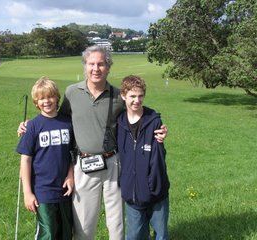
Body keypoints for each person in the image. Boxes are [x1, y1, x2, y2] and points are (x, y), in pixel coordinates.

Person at [18, 45, 168, 240]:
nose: (96, 69)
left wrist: (157, 124)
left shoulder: (117, 95)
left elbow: (136, 107)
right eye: (91, 64)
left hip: (113, 163)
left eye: (101, 64)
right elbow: (55, 117)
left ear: (108, 67)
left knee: (116, 224)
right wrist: (29, 124)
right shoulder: (72, 93)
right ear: (84, 67)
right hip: (83, 165)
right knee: (83, 224)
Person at [16, 77, 75, 240]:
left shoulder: (67, 123)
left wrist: (70, 175)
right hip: (43, 191)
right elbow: (25, 160)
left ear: (57, 97)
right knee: (47, 233)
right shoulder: (33, 126)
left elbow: (72, 153)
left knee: (65, 233)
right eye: (41, 98)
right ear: (36, 102)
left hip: (64, 191)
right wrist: (27, 192)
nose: (46, 101)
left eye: (50, 96)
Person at [117, 75, 170, 240]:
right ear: (123, 96)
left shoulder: (154, 122)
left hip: (156, 192)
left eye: (140, 96)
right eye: (132, 96)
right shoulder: (118, 124)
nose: (136, 100)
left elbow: (159, 157)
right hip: (132, 195)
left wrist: (162, 139)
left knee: (161, 234)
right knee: (134, 236)